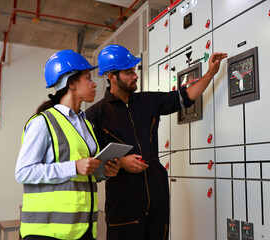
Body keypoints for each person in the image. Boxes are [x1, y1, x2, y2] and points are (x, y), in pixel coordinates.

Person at [85, 44, 227, 240]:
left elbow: (185, 97)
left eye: (134, 70)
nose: (135, 76)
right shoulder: (95, 115)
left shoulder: (148, 101)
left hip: (156, 193)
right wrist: (121, 163)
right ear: (111, 76)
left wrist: (211, 73)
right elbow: (93, 163)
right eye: (128, 72)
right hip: (124, 201)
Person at [15, 49, 120, 240]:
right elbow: (23, 172)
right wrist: (74, 167)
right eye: (88, 77)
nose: (94, 83)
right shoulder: (42, 122)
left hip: (82, 228)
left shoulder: (86, 124)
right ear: (72, 83)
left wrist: (104, 172)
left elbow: (83, 174)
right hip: (47, 232)